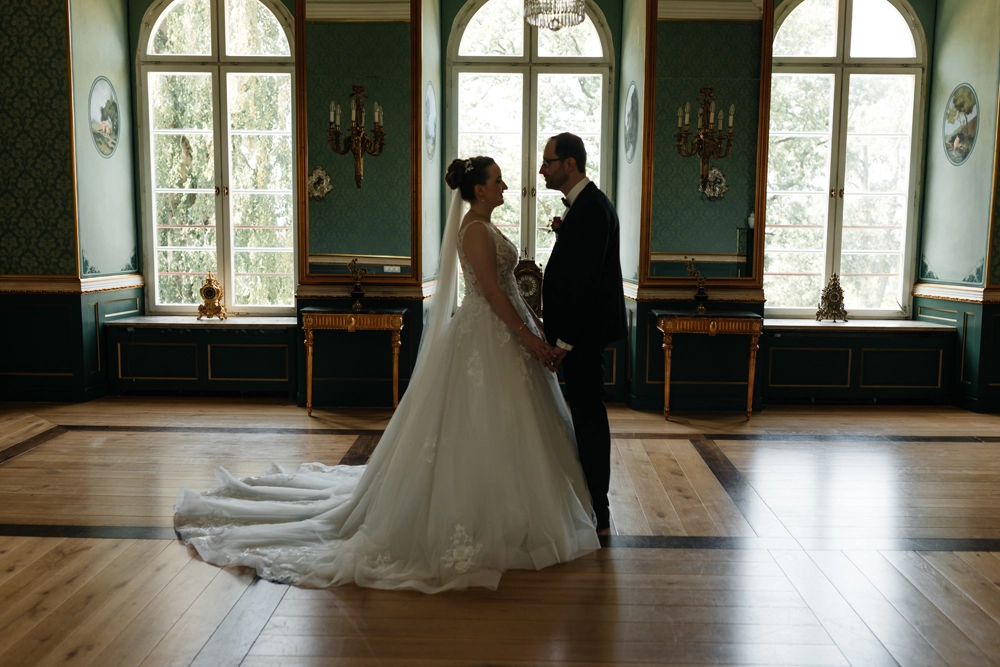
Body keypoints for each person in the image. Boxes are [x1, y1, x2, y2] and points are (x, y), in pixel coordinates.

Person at [173, 156, 600, 593]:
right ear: (478, 190)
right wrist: (528, 338)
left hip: (510, 334)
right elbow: (490, 293)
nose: (505, 185)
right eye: (497, 181)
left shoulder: (486, 226)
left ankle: (519, 512)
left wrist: (538, 325)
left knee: (514, 428)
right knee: (479, 425)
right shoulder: (472, 230)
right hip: (486, 338)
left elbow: (509, 287)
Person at [539, 132, 628, 531]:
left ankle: (598, 507)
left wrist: (564, 342)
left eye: (548, 162)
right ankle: (594, 503)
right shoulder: (586, 205)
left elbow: (586, 285)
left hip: (583, 337)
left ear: (569, 163)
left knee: (590, 417)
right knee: (587, 415)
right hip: (580, 335)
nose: (542, 169)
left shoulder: (591, 209)